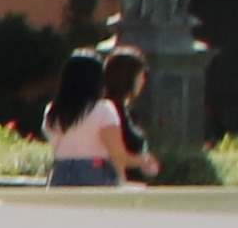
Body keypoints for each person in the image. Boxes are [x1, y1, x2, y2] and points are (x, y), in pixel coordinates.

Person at [43, 54, 141, 188]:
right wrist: (129, 171)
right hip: (96, 172)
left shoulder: (52, 111)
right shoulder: (103, 109)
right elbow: (117, 153)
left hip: (61, 172)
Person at [100, 46, 163, 182]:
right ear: (128, 78)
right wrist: (142, 161)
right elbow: (115, 155)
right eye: (141, 75)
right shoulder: (110, 111)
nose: (143, 81)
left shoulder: (128, 110)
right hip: (117, 185)